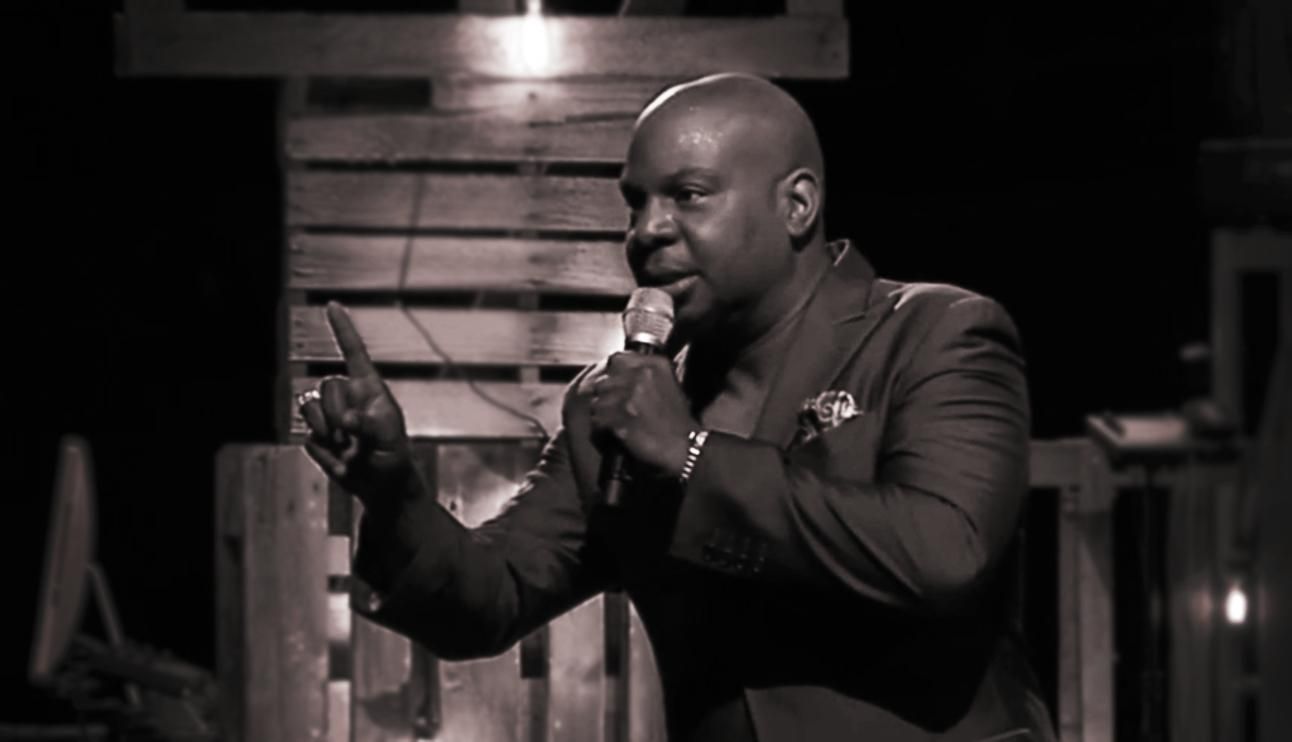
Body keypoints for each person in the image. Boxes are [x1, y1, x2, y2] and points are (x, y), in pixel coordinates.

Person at [298, 73, 1056, 742]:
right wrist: (393, 494)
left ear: (797, 205)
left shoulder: (935, 332)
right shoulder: (617, 407)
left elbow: (944, 554)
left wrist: (693, 457)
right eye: (635, 203)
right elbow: (490, 598)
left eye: (687, 195)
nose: (645, 231)